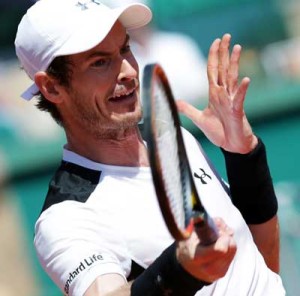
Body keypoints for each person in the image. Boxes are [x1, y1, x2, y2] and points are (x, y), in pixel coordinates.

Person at [14, 0, 285, 295]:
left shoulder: (177, 139)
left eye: (125, 49)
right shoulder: (65, 218)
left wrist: (244, 157)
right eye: (99, 62)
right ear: (52, 87)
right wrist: (180, 270)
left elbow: (260, 263)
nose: (128, 70)